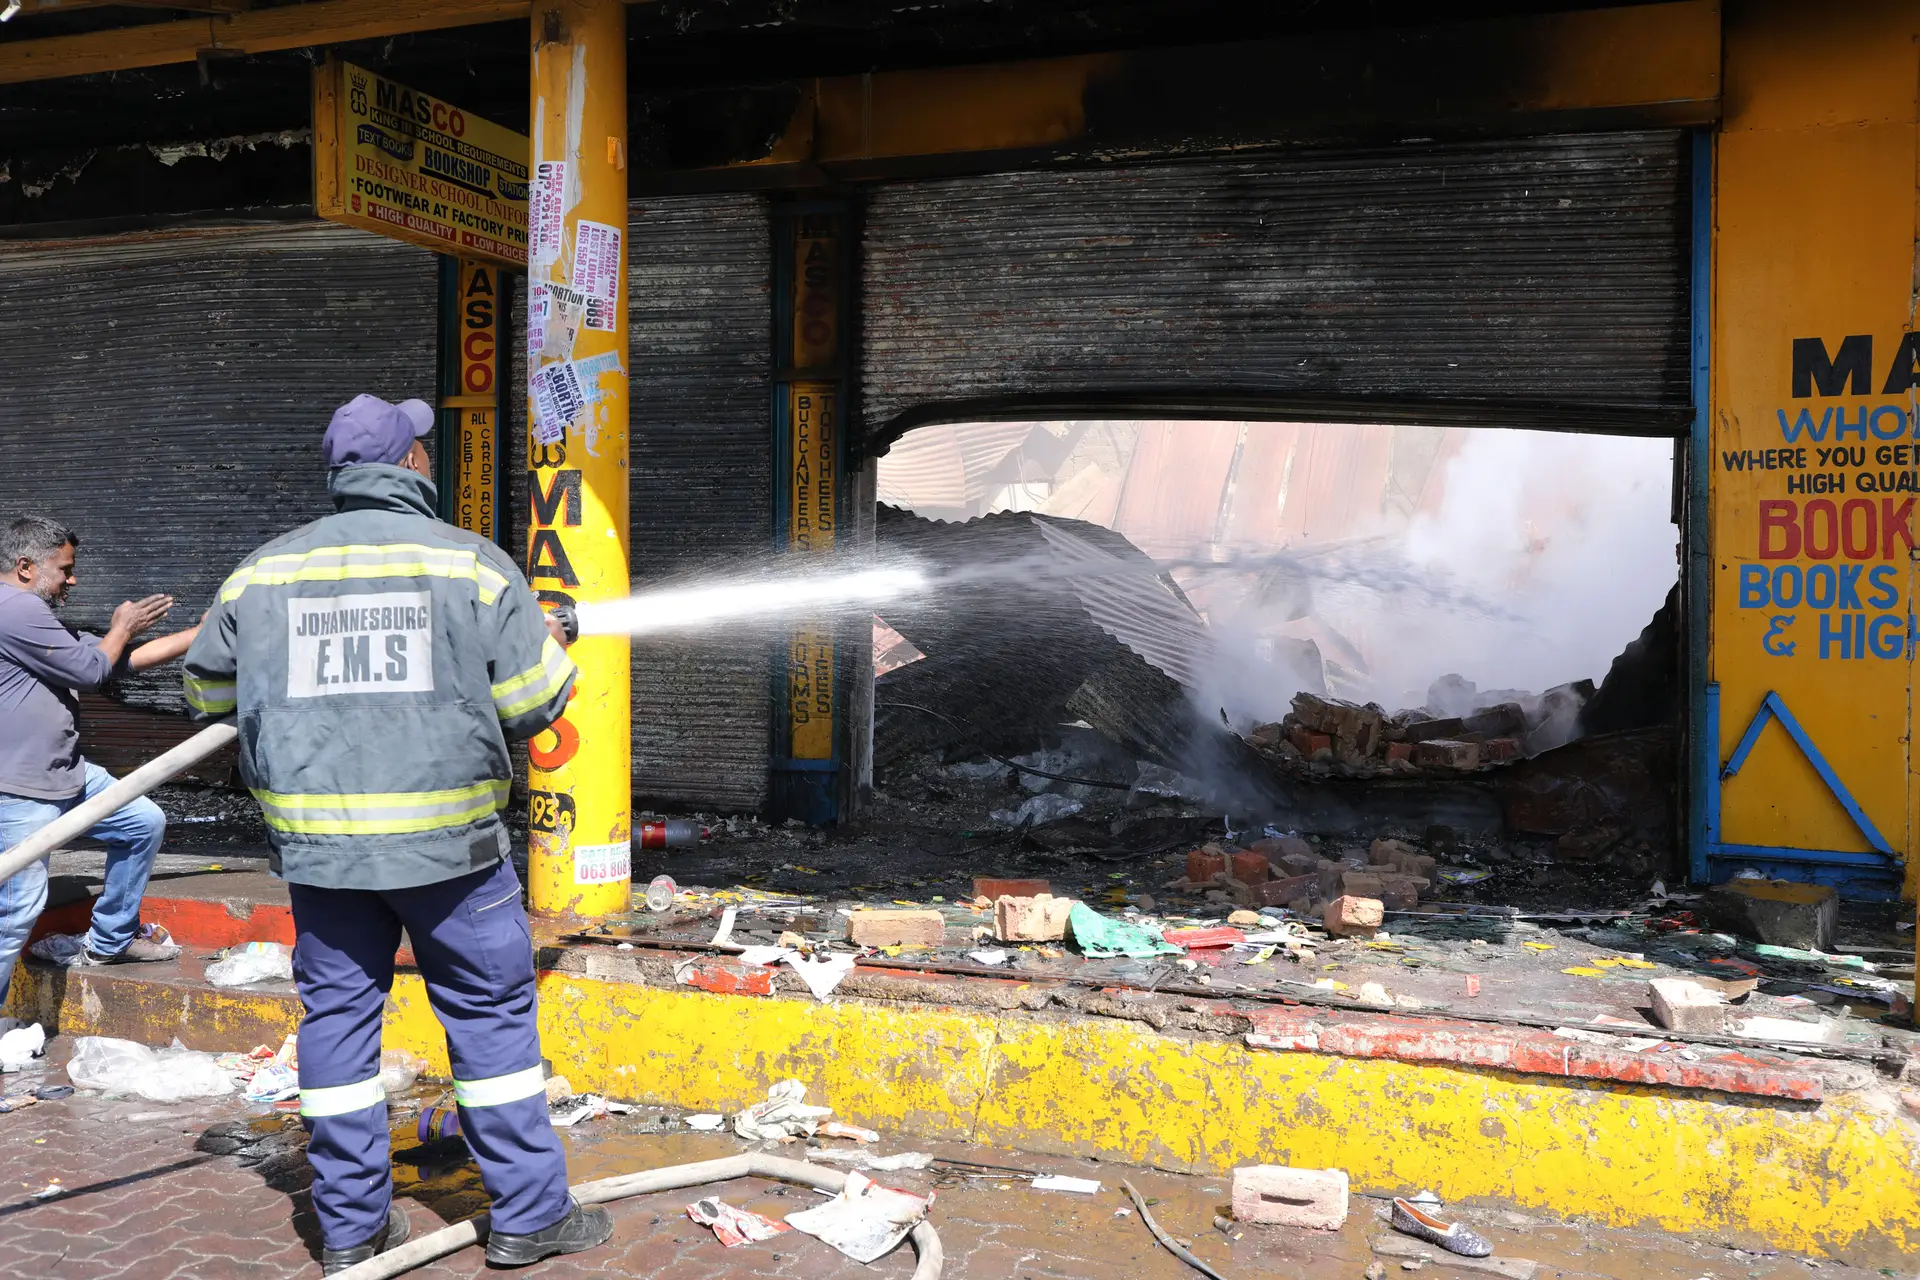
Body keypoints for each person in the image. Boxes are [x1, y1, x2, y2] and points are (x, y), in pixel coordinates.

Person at [183, 394, 610, 1274]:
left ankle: (351, 1232)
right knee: (489, 1025)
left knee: (337, 1030)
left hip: (324, 857)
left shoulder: (261, 573)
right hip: (452, 855)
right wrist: (551, 641)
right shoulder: (474, 568)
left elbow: (209, 702)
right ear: (413, 465)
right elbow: (534, 707)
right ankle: (530, 1216)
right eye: (424, 448)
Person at [0, 515, 200, 994]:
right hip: (19, 788)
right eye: (65, 568)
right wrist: (123, 624)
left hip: (65, 774)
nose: (73, 579)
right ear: (26, 566)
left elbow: (114, 660)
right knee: (16, 911)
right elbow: (92, 670)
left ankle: (110, 939)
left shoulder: (31, 617)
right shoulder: (13, 609)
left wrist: (204, 632)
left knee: (141, 822)